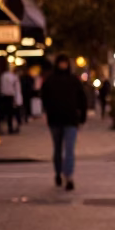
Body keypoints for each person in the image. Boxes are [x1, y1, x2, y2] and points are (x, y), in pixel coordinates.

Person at [40, 53, 88, 191]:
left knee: (69, 150)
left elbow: (82, 99)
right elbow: (44, 98)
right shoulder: (50, 80)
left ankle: (68, 176)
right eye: (61, 62)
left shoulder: (73, 80)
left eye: (65, 62)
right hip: (55, 119)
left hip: (70, 120)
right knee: (58, 149)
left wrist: (82, 116)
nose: (63, 65)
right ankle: (58, 173)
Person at [0, 67, 22, 134]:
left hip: (4, 96)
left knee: (4, 114)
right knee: (11, 114)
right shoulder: (14, 77)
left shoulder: (3, 76)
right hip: (11, 97)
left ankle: (1, 129)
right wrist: (17, 100)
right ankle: (10, 128)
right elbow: (16, 89)